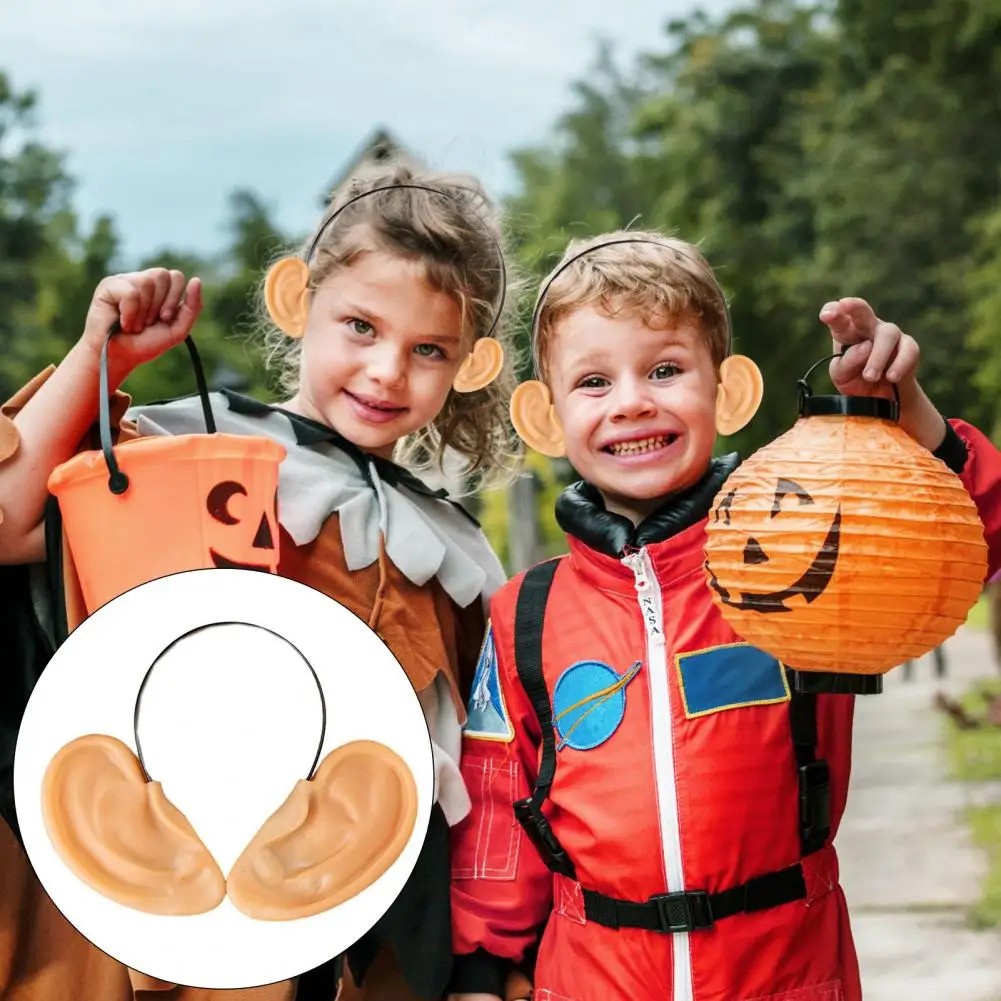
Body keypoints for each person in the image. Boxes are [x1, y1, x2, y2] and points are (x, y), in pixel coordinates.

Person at [0, 156, 524, 1001]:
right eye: (360, 325)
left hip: (365, 940)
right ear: (296, 300)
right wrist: (102, 354)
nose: (388, 370)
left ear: (470, 363)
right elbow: (8, 520)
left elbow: (475, 783)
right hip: (185, 917)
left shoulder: (455, 556)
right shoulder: (191, 456)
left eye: (428, 348)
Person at [445, 231, 1001, 1001]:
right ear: (545, 416)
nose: (632, 399)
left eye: (665, 369)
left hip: (785, 971)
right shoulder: (524, 614)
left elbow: (969, 539)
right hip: (590, 978)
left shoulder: (804, 554)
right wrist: (477, 971)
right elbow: (499, 810)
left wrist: (904, 415)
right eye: (594, 381)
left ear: (727, 391)